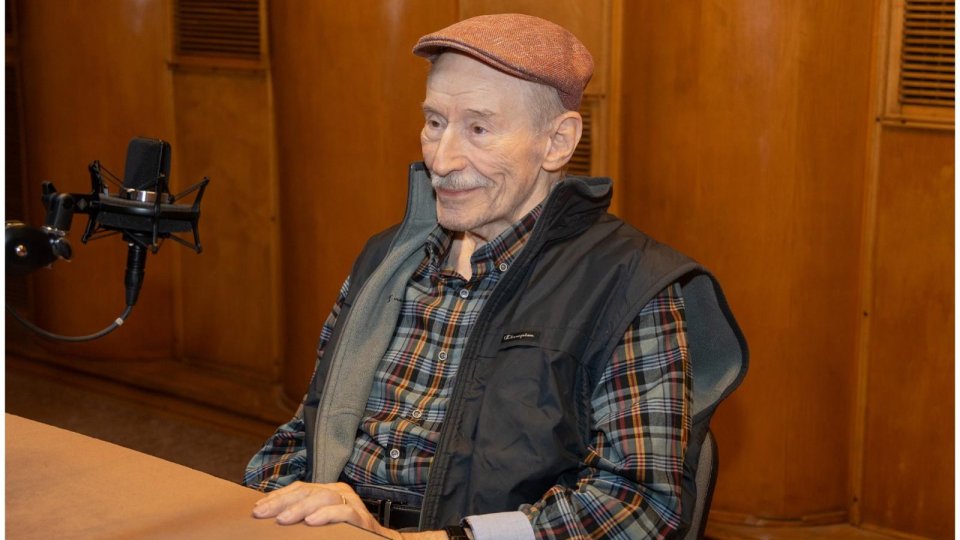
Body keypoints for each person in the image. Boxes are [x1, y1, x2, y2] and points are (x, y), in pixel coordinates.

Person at [244, 13, 745, 540]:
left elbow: (638, 506)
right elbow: (305, 431)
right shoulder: (386, 259)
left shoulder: (631, 284)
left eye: (478, 129)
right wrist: (279, 502)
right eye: (434, 122)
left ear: (557, 142)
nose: (442, 159)